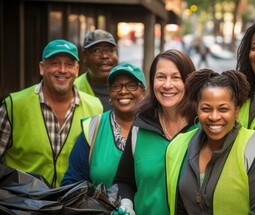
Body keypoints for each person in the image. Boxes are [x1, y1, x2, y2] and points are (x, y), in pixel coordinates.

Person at [166, 69, 255, 215]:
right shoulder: (183, 146)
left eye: (223, 109)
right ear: (197, 109)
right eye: (206, 109)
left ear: (237, 110)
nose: (214, 117)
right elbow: (181, 211)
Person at [110, 49, 197, 215]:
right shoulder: (140, 126)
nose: (167, 85)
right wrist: (126, 206)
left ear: (189, 81)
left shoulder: (202, 129)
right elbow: (124, 180)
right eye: (160, 77)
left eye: (176, 77)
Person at [0, 39, 103, 187]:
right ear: (42, 68)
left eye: (69, 64)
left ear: (77, 69)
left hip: (73, 204)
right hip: (22, 205)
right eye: (55, 63)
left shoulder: (95, 107)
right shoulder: (14, 105)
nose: (62, 70)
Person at [61, 63, 146, 188]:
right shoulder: (93, 127)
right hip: (102, 208)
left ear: (143, 92)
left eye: (131, 85)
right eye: (116, 86)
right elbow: (72, 182)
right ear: (109, 94)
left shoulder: (156, 127)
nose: (123, 91)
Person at [75, 29, 118, 111]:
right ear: (85, 56)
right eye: (97, 50)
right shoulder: (74, 89)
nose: (104, 56)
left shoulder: (129, 89)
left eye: (109, 50)